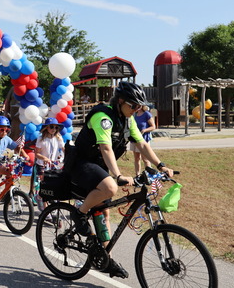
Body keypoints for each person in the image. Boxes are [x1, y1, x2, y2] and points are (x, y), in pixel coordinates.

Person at [69, 81, 174, 279]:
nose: (136, 110)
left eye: (139, 107)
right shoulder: (103, 117)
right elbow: (106, 148)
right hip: (80, 164)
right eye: (133, 105)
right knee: (110, 186)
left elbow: (142, 144)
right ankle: (79, 213)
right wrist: (117, 176)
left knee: (104, 214)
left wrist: (161, 165)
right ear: (120, 101)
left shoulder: (128, 119)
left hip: (97, 167)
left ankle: (105, 259)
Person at [34, 118, 65, 211]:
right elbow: (37, 154)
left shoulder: (58, 137)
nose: (54, 129)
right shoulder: (41, 138)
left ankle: (40, 198)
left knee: (54, 184)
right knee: (45, 185)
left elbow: (63, 148)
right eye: (51, 127)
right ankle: (45, 209)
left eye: (56, 127)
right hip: (42, 165)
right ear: (46, 127)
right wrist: (45, 158)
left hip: (53, 165)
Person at [130, 105, 156, 175]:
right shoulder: (134, 114)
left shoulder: (147, 114)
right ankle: (137, 175)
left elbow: (153, 127)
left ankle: (149, 175)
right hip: (134, 139)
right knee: (137, 158)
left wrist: (144, 130)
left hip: (143, 140)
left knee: (145, 159)